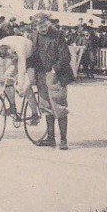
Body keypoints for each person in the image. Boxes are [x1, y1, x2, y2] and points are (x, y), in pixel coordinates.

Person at [29, 13, 74, 149]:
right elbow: (32, 55)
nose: (41, 28)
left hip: (56, 74)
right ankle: (50, 139)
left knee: (59, 106)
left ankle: (63, 140)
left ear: (48, 23)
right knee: (46, 107)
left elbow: (65, 56)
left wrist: (55, 70)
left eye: (43, 25)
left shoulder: (58, 35)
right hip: (41, 74)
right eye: (38, 26)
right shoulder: (34, 36)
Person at [0, 33, 39, 124]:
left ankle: (35, 114)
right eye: (8, 57)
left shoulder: (20, 47)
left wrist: (20, 86)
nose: (10, 58)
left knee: (26, 86)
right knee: (7, 76)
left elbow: (22, 69)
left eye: (10, 55)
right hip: (17, 56)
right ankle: (12, 106)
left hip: (31, 57)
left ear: (10, 50)